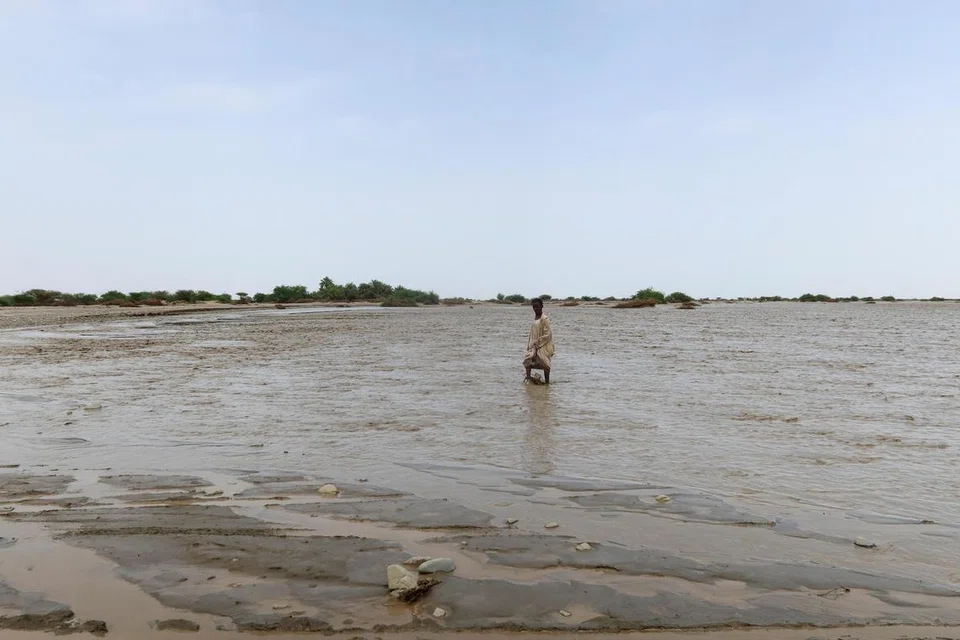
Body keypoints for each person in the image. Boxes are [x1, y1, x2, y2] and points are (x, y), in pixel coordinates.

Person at [524, 298, 555, 384]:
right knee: (528, 360)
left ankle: (547, 383)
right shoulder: (535, 318)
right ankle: (528, 379)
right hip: (533, 345)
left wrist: (538, 343)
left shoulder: (545, 319)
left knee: (545, 364)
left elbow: (547, 333)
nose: (535, 309)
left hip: (542, 345)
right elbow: (532, 333)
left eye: (537, 307)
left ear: (542, 306)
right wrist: (529, 345)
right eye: (534, 307)